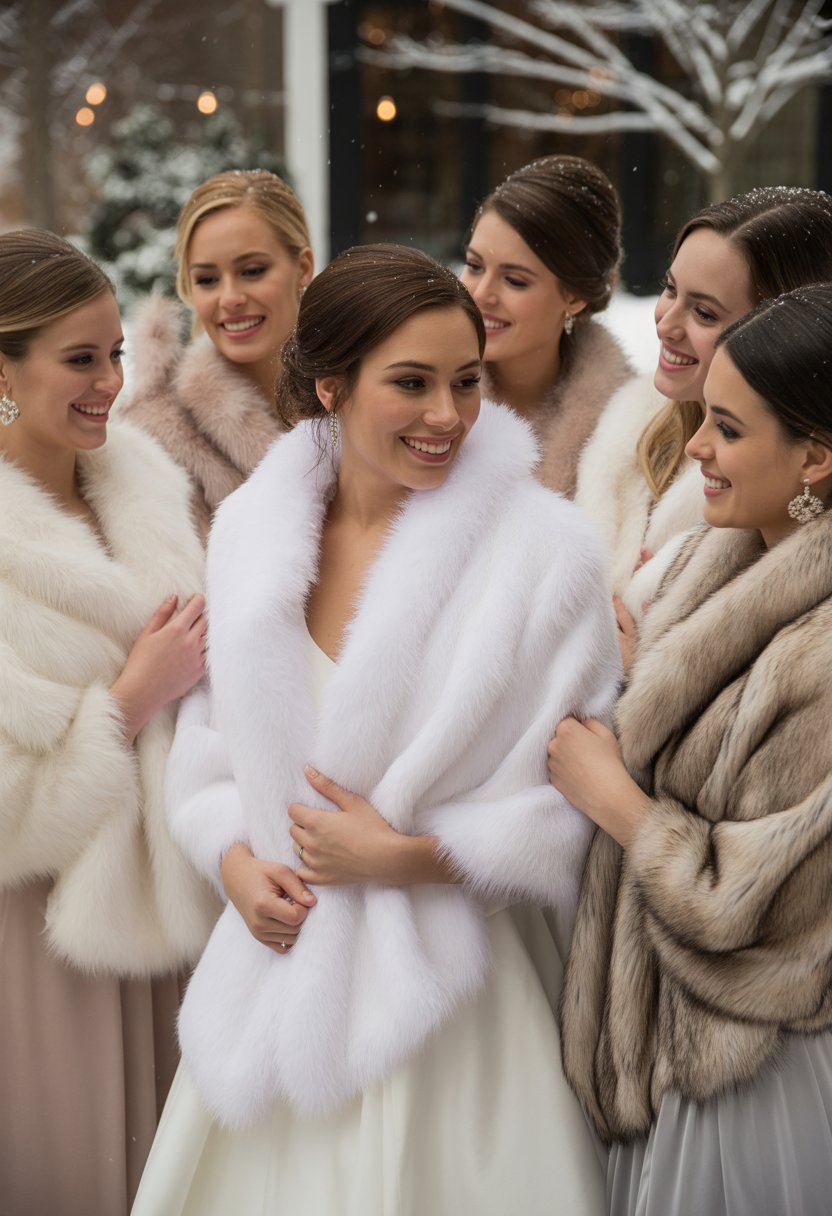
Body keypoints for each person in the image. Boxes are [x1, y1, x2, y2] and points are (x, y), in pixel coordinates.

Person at [131, 244, 621, 1216]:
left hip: (457, 1006)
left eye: (466, 381)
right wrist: (231, 853)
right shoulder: (253, 533)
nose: (447, 413)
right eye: (411, 383)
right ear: (330, 386)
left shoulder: (543, 555)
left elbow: (579, 790)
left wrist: (416, 856)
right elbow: (210, 739)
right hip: (274, 983)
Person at [549, 282, 832, 1216]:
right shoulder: (727, 558)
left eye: (727, 428)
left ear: (817, 458)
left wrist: (615, 797)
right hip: (669, 1061)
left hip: (748, 1080)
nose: (697, 448)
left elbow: (755, 905)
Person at [0, 231, 219, 1215]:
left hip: (173, 915)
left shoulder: (142, 482)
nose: (110, 382)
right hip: (39, 942)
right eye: (80, 359)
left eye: (116, 353)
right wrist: (132, 698)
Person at [575, 186, 832, 631]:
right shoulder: (629, 429)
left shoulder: (777, 501)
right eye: (670, 289)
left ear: (782, 334)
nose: (666, 323)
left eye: (705, 314)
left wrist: (636, 675)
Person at [121, 169, 314, 538]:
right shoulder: (158, 436)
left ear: (302, 267)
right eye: (208, 279)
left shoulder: (365, 389)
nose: (230, 298)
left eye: (252, 271)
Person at [459, 154, 633, 497]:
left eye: (515, 280)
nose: (481, 294)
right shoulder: (415, 399)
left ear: (575, 296)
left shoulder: (630, 436)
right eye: (474, 266)